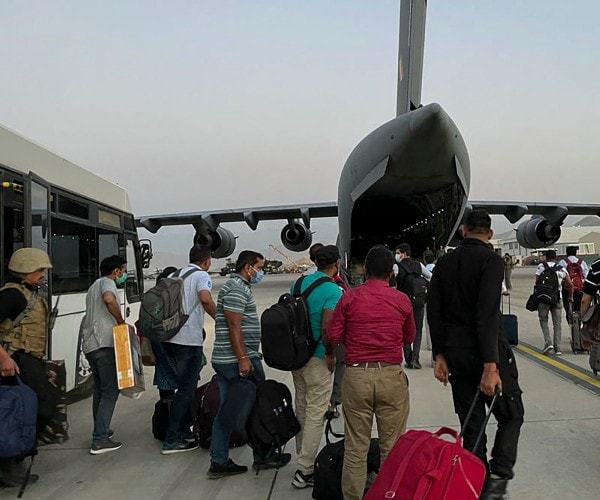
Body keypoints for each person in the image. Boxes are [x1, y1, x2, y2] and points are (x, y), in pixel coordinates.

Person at [427, 209, 524, 500]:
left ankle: (474, 480)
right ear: (490, 234)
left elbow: (434, 312)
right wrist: (491, 365)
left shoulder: (444, 262)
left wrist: (440, 355)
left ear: (463, 231)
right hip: (486, 352)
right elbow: (486, 316)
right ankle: (497, 479)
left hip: (455, 354)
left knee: (472, 421)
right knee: (512, 414)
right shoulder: (491, 261)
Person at [329, 244, 415, 500]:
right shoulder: (401, 300)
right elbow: (409, 337)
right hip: (390, 375)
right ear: (391, 273)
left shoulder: (348, 298)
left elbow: (334, 335)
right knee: (392, 447)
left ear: (365, 271)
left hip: (356, 376)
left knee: (356, 447)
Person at [208, 251, 291, 478]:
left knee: (226, 411)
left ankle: (219, 460)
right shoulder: (236, 289)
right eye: (259, 267)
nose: (260, 272)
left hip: (229, 358)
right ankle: (263, 456)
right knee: (259, 408)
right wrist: (243, 358)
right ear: (248, 267)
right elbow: (234, 326)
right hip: (239, 359)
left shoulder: (239, 287)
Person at [290, 245, 343, 489]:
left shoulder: (299, 284)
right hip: (319, 357)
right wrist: (331, 354)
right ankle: (305, 470)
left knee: (301, 406)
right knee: (315, 412)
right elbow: (327, 329)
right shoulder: (333, 290)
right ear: (336, 264)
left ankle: (303, 456)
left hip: (297, 357)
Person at [0, 247, 52, 487]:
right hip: (16, 361)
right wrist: (3, 358)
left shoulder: (27, 292)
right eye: (40, 270)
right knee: (32, 410)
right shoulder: (12, 295)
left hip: (28, 360)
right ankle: (10, 464)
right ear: (25, 270)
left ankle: (14, 461)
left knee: (31, 411)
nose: (43, 274)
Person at [162, 244, 216, 454]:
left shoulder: (176, 274)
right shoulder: (201, 275)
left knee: (183, 389)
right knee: (186, 390)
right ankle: (172, 439)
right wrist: (218, 317)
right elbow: (204, 298)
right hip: (188, 340)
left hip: (171, 337)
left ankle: (183, 431)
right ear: (207, 261)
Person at [80, 255, 128, 455]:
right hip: (104, 344)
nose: (124, 275)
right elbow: (109, 299)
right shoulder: (108, 283)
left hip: (91, 345)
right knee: (110, 391)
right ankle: (99, 439)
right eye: (123, 271)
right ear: (116, 271)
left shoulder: (93, 286)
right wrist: (120, 320)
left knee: (100, 390)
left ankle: (101, 429)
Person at [394, 243, 431, 369]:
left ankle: (408, 358)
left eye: (398, 253)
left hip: (403, 303)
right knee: (418, 329)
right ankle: (416, 358)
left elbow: (392, 283)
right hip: (418, 302)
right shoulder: (418, 265)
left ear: (403, 253)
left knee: (405, 330)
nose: (397, 255)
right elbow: (430, 277)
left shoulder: (397, 267)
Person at [535, 250, 573, 356]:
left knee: (543, 320)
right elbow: (570, 284)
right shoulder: (562, 269)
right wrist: (570, 297)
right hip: (557, 298)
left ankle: (548, 342)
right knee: (557, 324)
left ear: (546, 257)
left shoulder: (541, 267)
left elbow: (537, 282)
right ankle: (558, 348)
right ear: (556, 258)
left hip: (543, 299)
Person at [149, 266, 179, 399]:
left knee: (164, 376)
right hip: (173, 343)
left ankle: (166, 409)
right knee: (186, 381)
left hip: (157, 344)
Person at [558, 246, 588, 325]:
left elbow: (559, 275)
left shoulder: (562, 262)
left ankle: (571, 326)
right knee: (578, 309)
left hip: (567, 289)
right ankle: (578, 327)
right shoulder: (582, 262)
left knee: (568, 310)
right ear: (576, 253)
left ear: (567, 253)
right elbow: (586, 275)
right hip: (579, 288)